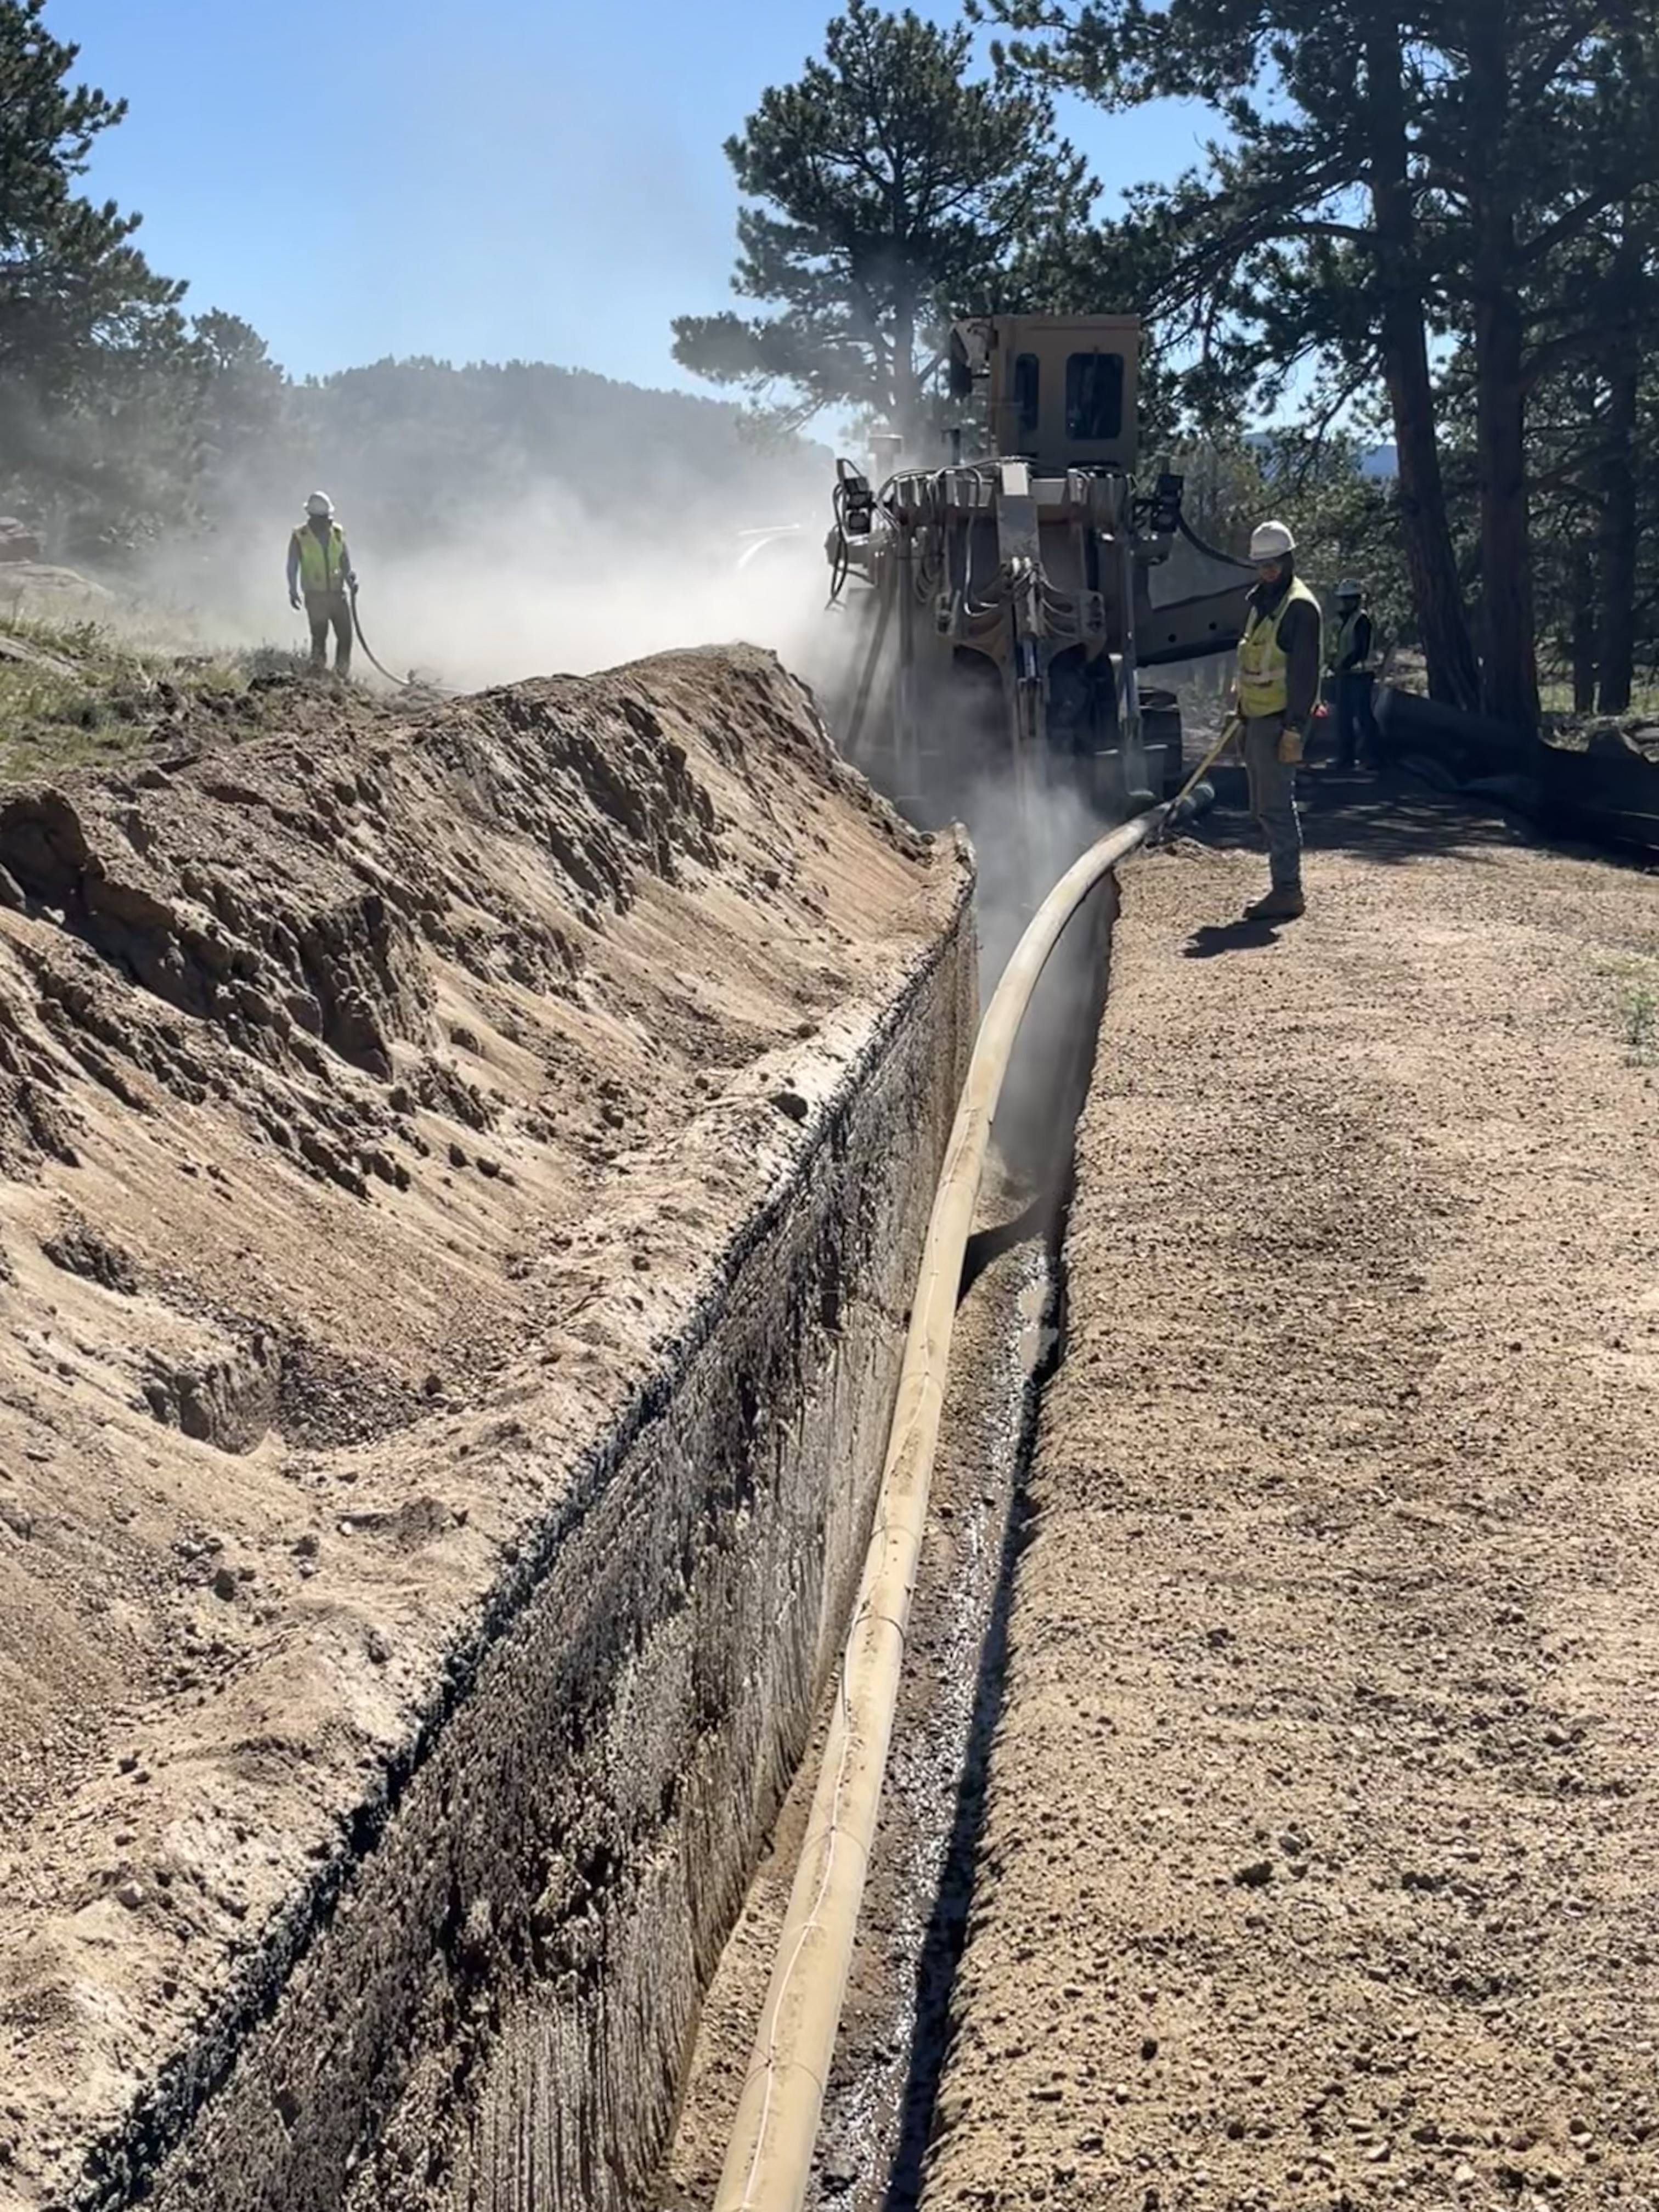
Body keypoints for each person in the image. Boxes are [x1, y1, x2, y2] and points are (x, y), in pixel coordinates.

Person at [1232, 519, 1323, 922]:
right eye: (1262, 563)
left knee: (1276, 807)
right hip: (1256, 718)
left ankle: (1288, 890)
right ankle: (1281, 884)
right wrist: (1240, 714)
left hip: (1279, 720)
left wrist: (1295, 729)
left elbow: (1304, 674)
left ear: (1289, 560)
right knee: (1263, 807)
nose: (1268, 570)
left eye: (1275, 562)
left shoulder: (1299, 608)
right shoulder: (1261, 601)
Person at [286, 492, 357, 677]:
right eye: (322, 518)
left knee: (346, 637)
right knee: (319, 639)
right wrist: (292, 590)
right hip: (315, 596)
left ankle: (341, 676)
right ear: (311, 517)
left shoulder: (337, 533)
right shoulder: (300, 536)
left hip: (337, 594)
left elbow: (344, 560)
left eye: (327, 517)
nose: (326, 521)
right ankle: (318, 677)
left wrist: (350, 580)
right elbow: (292, 564)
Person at [1327, 577, 1380, 769]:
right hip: (1346, 675)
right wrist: (1334, 662)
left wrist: (1344, 664)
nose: (1346, 603)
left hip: (1361, 675)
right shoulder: (1345, 621)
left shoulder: (1362, 620)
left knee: (1363, 716)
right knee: (1343, 718)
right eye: (1344, 599)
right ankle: (1346, 758)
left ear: (1357, 600)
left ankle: (1374, 757)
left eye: (1350, 599)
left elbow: (1361, 649)